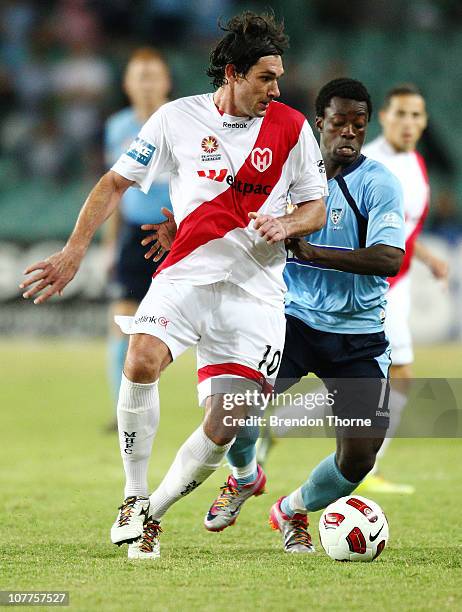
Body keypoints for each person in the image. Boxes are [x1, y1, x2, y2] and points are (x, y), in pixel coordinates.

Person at [20, 11, 328, 559]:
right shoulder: (175, 119)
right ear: (232, 74)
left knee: (227, 421)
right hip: (184, 274)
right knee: (139, 359)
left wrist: (288, 223)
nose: (276, 89)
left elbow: (315, 206)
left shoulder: (291, 126)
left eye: (279, 77)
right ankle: (132, 499)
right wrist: (74, 251)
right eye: (265, 77)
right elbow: (115, 182)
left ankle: (154, 514)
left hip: (256, 292)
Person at [202, 78, 405, 552]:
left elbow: (388, 258)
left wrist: (312, 253)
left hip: (358, 337)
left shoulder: (379, 183)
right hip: (290, 322)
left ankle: (291, 510)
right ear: (320, 124)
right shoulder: (285, 176)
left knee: (358, 460)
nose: (349, 133)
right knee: (231, 410)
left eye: (359, 124)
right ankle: (243, 477)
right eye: (339, 123)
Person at [360, 84, 448, 494]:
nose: (409, 123)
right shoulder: (369, 164)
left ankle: (280, 424)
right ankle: (364, 466)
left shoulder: (416, 163)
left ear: (425, 121)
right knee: (399, 375)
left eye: (417, 116)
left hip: (401, 282)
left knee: (381, 377)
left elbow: (404, 229)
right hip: (375, 287)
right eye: (401, 114)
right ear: (384, 117)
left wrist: (427, 256)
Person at [104, 47, 173, 429]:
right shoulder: (117, 127)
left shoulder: (181, 120)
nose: (146, 83)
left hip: (177, 233)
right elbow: (112, 188)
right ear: (127, 83)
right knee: (123, 321)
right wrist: (110, 244)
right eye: (138, 75)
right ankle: (124, 409)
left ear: (165, 81)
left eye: (152, 75)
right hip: (134, 234)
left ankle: (228, 405)